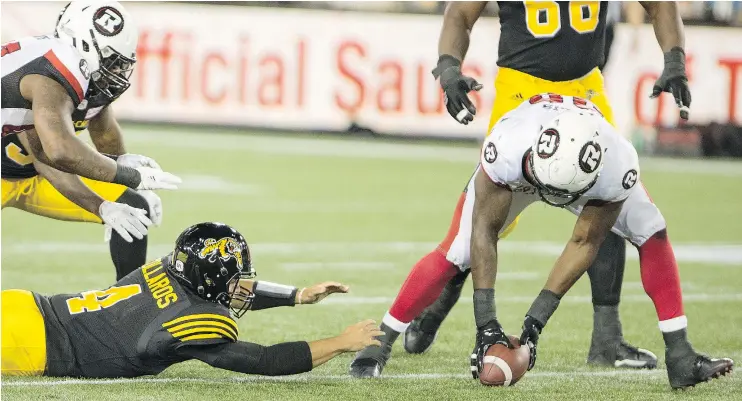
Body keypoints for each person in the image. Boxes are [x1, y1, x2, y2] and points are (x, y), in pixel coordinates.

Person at [350, 1, 692, 377]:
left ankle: (607, 340)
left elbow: (660, 5)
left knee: (616, 204)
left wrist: (674, 59)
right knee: (472, 234)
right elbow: (459, 14)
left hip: (586, 92)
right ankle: (421, 317)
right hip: (522, 95)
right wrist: (449, 67)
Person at [1, 222, 384, 378]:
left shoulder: (169, 267)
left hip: (26, 306)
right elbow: (264, 360)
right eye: (236, 280)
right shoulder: (192, 322)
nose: (244, 287)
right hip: (32, 344)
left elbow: (223, 288)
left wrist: (296, 296)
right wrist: (339, 343)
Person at [1, 1, 181, 280]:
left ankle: (126, 305)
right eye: (111, 60)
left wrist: (123, 173)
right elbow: (52, 155)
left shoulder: (78, 74)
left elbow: (105, 133)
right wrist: (122, 184)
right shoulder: (48, 74)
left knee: (133, 208)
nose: (118, 71)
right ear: (82, 44)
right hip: (34, 169)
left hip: (32, 176)